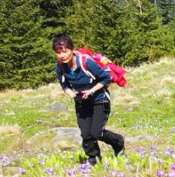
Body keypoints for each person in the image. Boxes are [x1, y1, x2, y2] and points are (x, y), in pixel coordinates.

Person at [52, 34, 124, 165]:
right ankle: (94, 161)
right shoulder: (60, 67)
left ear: (72, 50)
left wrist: (91, 91)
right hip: (81, 102)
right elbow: (64, 85)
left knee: (96, 133)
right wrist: (71, 94)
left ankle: (118, 142)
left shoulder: (86, 62)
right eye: (58, 52)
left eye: (65, 51)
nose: (62, 55)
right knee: (86, 135)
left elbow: (106, 78)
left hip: (99, 99)